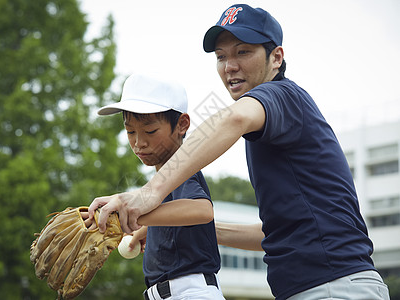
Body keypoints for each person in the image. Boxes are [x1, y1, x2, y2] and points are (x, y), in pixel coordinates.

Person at [89, 4, 390, 300]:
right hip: (325, 286)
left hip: (334, 287)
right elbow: (275, 235)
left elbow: (233, 117)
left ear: (276, 57)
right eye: (221, 56)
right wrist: (185, 228)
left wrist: (148, 194)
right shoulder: (273, 128)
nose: (229, 65)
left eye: (243, 52)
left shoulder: (281, 95)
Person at [91, 73, 224, 300]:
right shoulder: (161, 181)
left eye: (150, 131)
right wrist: (148, 230)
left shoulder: (180, 168)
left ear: (182, 124)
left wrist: (136, 215)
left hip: (190, 292)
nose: (138, 142)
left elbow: (202, 210)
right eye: (130, 131)